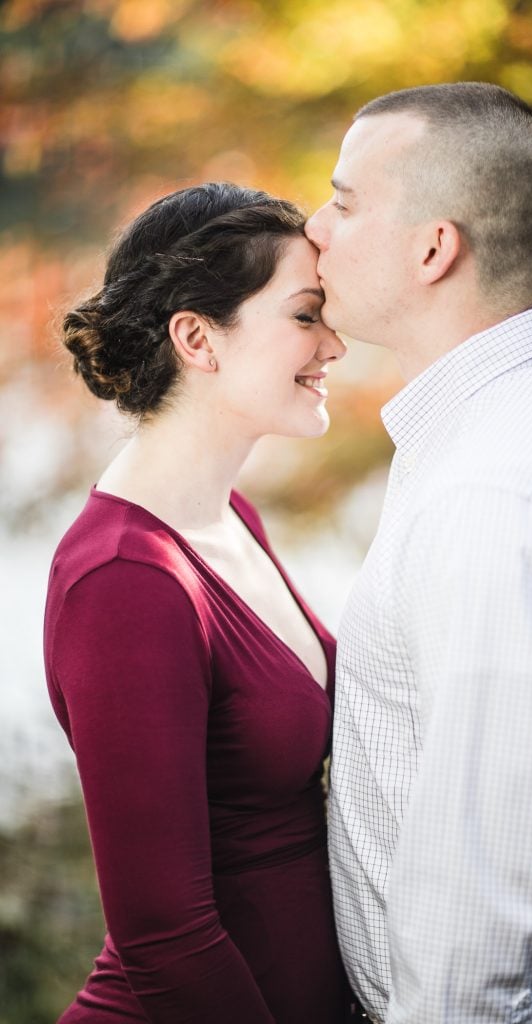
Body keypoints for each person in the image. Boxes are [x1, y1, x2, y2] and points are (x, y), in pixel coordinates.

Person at [305, 83, 532, 1024]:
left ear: (434, 248)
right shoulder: (518, 425)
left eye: (346, 203)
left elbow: (487, 888)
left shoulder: (494, 492)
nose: (315, 226)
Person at [43, 182, 351, 1023]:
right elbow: (163, 937)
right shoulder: (125, 583)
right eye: (304, 315)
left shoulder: (230, 517)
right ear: (196, 338)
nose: (335, 343)